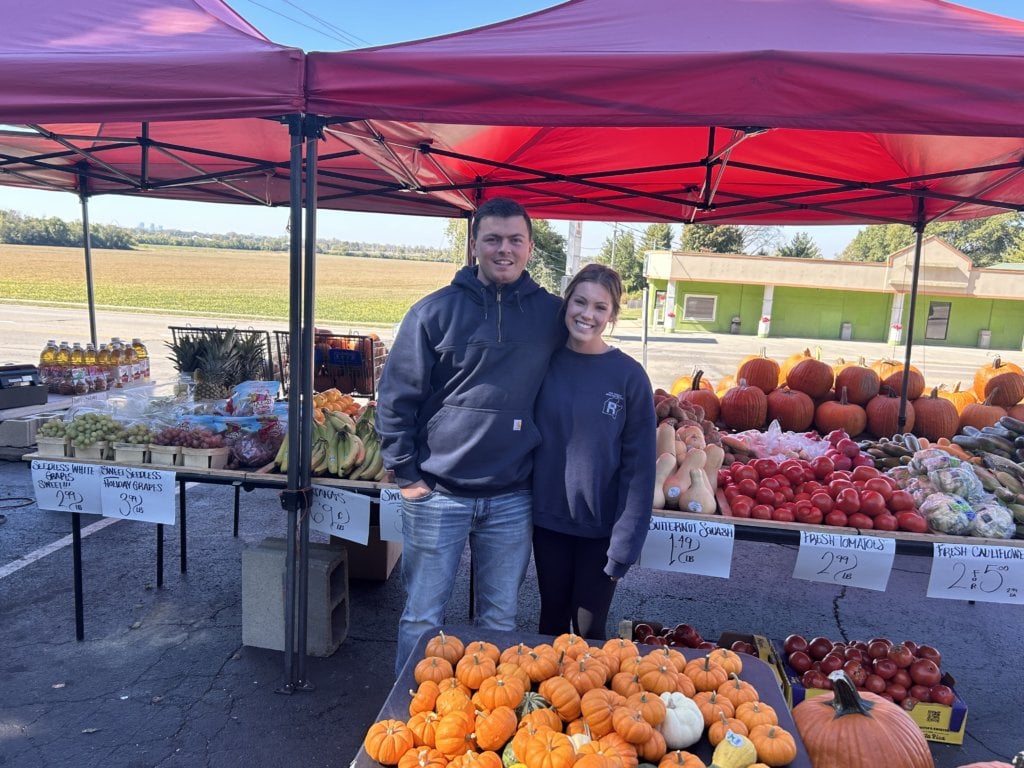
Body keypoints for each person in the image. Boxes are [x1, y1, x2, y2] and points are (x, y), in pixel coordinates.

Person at [375, 197, 564, 675]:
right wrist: (408, 477)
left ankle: (484, 722)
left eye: (515, 240)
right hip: (438, 494)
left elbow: (583, 372)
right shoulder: (433, 313)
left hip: (512, 496)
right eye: (493, 239)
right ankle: (408, 714)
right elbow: (396, 397)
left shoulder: (551, 316)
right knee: (422, 618)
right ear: (474, 244)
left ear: (530, 247)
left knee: (498, 621)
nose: (505, 249)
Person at [531, 263, 656, 640]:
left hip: (601, 531)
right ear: (566, 303)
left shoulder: (629, 376)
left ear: (613, 316)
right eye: (580, 302)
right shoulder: (542, 363)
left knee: (588, 631)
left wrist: (625, 545)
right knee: (550, 624)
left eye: (600, 307)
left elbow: (639, 469)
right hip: (548, 523)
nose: (587, 314)